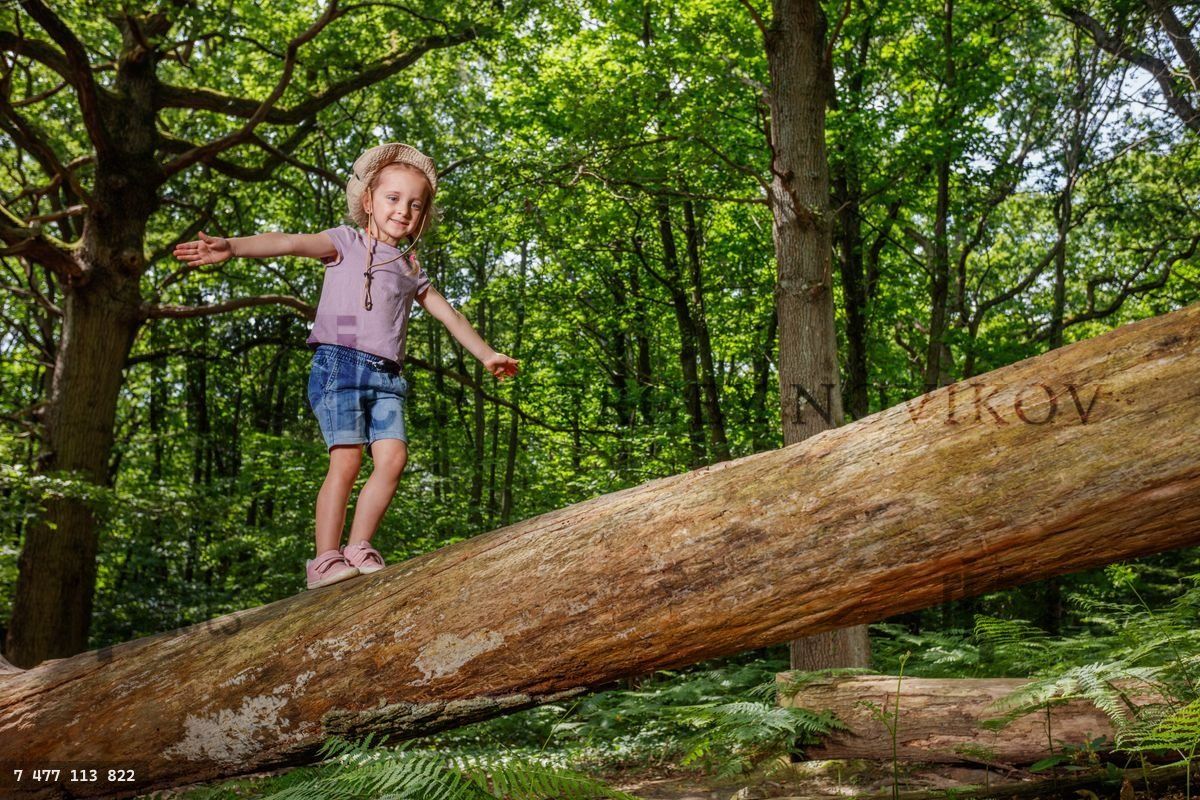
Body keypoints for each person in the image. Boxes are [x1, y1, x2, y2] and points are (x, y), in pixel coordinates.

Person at [173, 143, 518, 590]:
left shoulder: (409, 265)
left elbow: (448, 314)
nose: (404, 210)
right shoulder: (345, 242)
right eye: (393, 198)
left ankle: (359, 546)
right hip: (339, 364)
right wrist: (233, 247)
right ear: (369, 201)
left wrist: (486, 353)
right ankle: (324, 559)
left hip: (388, 376)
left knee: (393, 459)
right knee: (348, 461)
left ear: (423, 216)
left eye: (415, 204)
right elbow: (288, 242)